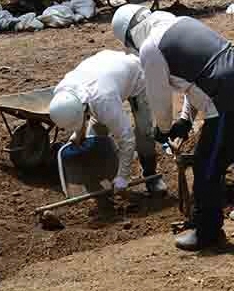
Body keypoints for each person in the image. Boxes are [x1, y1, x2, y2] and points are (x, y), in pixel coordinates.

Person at [111, 4, 234, 252]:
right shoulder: (182, 23)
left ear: (129, 37)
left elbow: (159, 99)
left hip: (230, 101)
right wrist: (186, 119)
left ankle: (207, 233)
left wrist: (164, 129)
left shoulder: (151, 48)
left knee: (206, 166)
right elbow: (198, 77)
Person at [49, 50, 167, 197]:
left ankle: (150, 175)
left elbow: (127, 139)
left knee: (144, 132)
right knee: (95, 135)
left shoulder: (104, 102)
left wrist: (123, 178)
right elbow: (81, 112)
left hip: (136, 77)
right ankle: (98, 175)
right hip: (105, 73)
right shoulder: (62, 92)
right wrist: (78, 133)